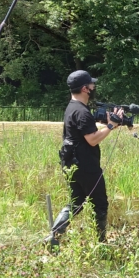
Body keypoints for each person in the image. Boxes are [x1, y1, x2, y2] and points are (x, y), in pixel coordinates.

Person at [47, 70, 124, 245]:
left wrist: (104, 125)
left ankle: (53, 237)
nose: (93, 87)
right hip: (86, 166)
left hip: (71, 163)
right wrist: (111, 126)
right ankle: (101, 242)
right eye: (91, 85)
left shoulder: (71, 107)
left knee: (76, 202)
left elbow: (84, 132)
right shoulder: (82, 112)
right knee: (100, 204)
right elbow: (92, 139)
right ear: (84, 89)